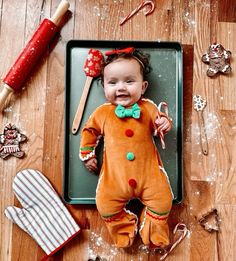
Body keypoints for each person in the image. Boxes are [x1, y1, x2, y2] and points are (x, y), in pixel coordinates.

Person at [79, 47, 173, 249]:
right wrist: (88, 155)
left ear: (143, 86)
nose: (121, 88)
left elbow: (159, 125)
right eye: (112, 83)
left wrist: (164, 123)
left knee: (164, 201)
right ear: (103, 86)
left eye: (129, 81)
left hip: (149, 176)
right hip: (115, 179)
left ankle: (153, 229)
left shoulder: (148, 107)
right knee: (104, 205)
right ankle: (123, 227)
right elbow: (89, 131)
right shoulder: (102, 113)